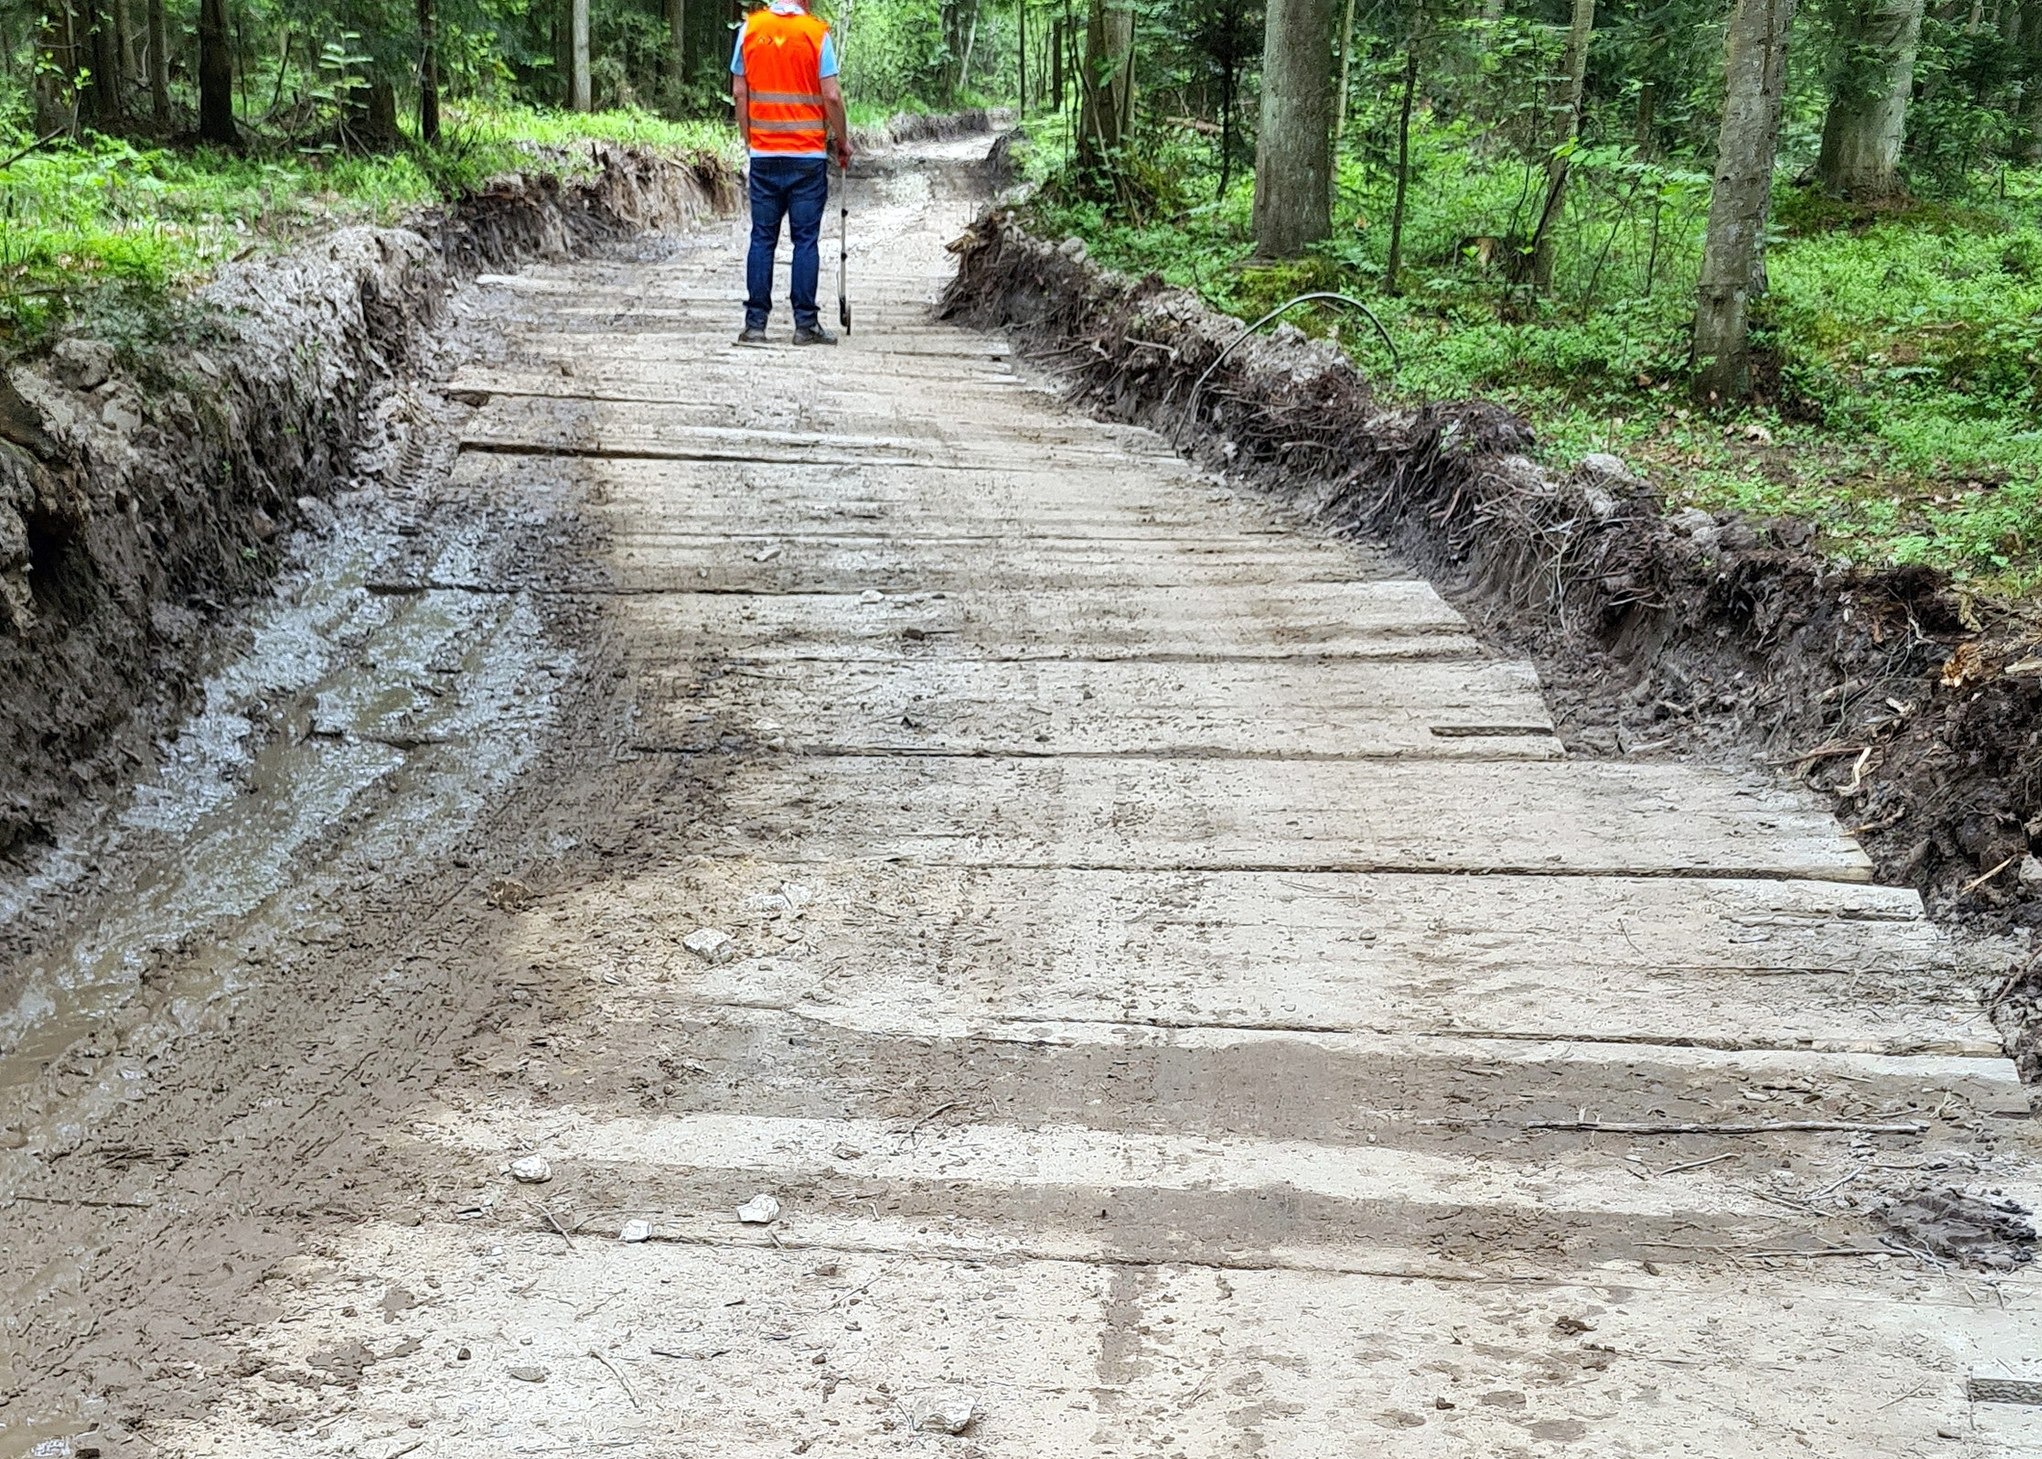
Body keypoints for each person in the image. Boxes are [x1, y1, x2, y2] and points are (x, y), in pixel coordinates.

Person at [731, 0, 852, 345]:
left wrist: (749, 138)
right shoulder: (816, 34)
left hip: (765, 154)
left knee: (762, 238)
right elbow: (831, 95)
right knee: (805, 241)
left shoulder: (749, 30)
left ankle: (755, 325)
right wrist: (842, 140)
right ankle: (805, 325)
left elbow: (740, 91)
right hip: (807, 157)